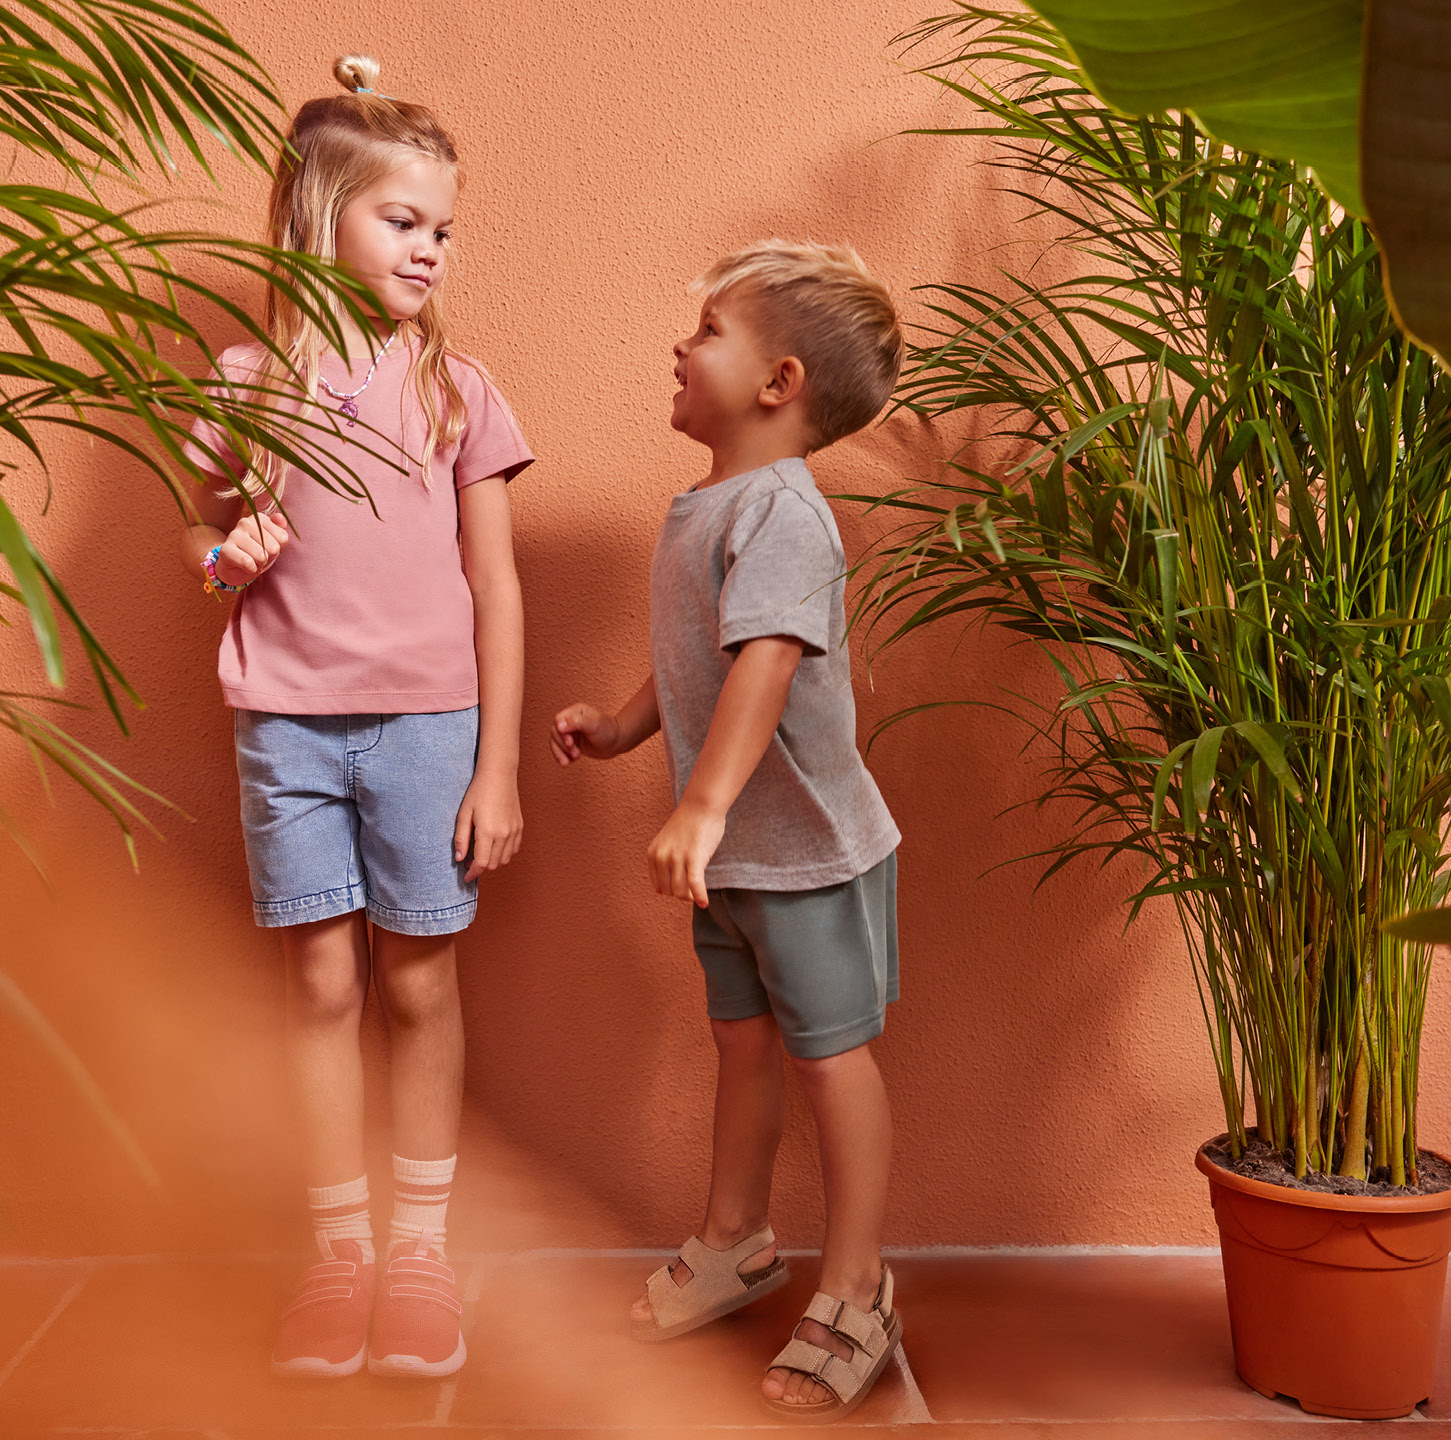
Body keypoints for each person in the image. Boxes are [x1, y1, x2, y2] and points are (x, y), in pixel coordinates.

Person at [179, 55, 531, 1381]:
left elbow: (496, 582)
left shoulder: (458, 392)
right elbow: (197, 553)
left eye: (443, 227)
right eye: (402, 220)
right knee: (320, 983)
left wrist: (495, 770)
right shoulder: (245, 383)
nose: (430, 248)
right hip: (286, 724)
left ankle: (422, 1253)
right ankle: (338, 1255)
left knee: (419, 979)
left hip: (430, 728)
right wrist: (235, 555)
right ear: (316, 213)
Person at [549, 240, 907, 1421]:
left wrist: (700, 804)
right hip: (738, 857)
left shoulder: (786, 514)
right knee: (743, 1046)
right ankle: (736, 1238)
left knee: (828, 1057)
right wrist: (625, 730)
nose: (678, 343)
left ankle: (858, 1288)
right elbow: (702, 653)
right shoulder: (708, 504)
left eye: (707, 329)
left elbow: (765, 662)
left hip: (805, 852)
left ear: (779, 382)